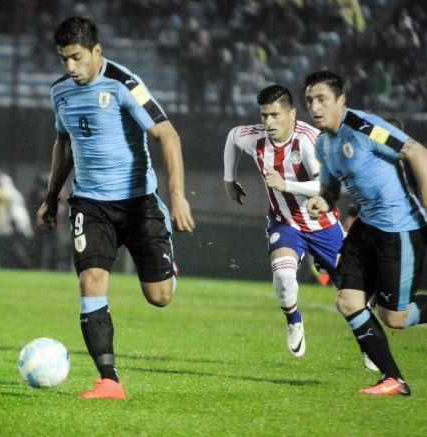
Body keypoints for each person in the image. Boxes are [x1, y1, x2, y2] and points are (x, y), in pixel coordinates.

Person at [36, 17, 195, 399]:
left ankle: (166, 261)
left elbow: (167, 135)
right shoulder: (60, 92)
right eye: (63, 60)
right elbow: (64, 145)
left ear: (96, 51)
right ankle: (109, 380)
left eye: (76, 58)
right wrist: (51, 195)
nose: (70, 68)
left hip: (139, 203)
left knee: (160, 297)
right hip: (90, 204)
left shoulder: (125, 84)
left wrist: (176, 197)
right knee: (90, 281)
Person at [305, 70, 427, 396]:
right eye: (310, 101)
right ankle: (392, 378)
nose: (315, 107)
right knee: (348, 301)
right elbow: (330, 189)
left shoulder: (363, 127)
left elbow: (417, 152)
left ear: (341, 101)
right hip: (367, 226)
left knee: (395, 317)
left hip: (399, 228)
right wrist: (321, 199)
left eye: (322, 99)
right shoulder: (324, 143)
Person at [223, 84, 343, 359]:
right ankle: (294, 320)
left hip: (322, 225)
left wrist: (286, 185)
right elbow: (232, 137)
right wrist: (229, 179)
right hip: (285, 222)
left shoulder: (309, 140)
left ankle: (369, 345)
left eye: (275, 115)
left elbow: (328, 186)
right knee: (284, 276)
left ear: (292, 114)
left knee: (355, 296)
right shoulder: (254, 138)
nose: (269, 122)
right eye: (264, 115)